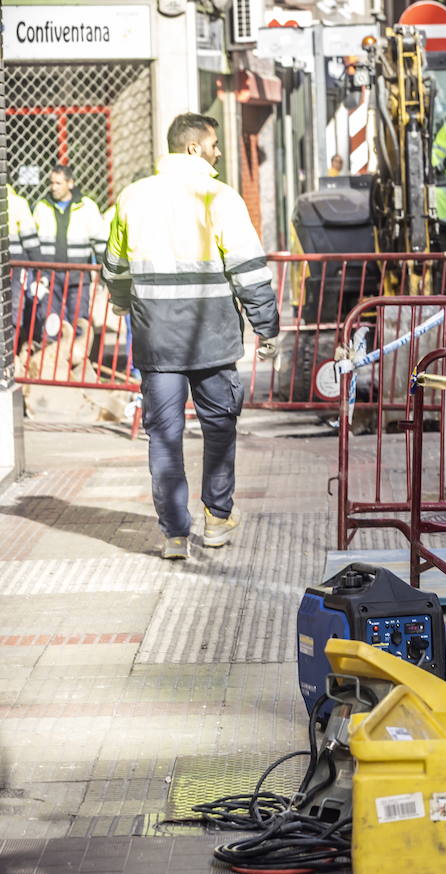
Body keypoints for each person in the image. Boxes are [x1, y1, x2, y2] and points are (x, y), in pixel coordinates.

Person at [102, 113, 280, 560]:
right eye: (215, 144)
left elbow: (115, 268)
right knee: (219, 429)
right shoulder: (218, 197)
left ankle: (175, 535)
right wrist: (267, 327)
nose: (219, 151)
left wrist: (122, 304)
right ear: (193, 148)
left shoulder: (132, 197)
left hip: (157, 343)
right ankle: (216, 520)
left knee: (164, 436)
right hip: (212, 340)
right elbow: (249, 271)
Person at [31, 165, 108, 339]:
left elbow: (100, 240)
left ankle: (78, 360)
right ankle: (52, 358)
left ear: (70, 183)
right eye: (51, 183)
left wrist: (104, 273)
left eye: (58, 183)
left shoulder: (87, 207)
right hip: (49, 275)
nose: (53, 187)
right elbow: (33, 242)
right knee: (50, 320)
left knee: (79, 320)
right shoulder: (41, 207)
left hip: (78, 274)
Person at [7, 185, 39, 346]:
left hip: (14, 265)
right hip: (15, 265)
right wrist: (40, 271)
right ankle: (10, 352)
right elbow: (31, 242)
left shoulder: (17, 203)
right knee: (14, 308)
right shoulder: (18, 203)